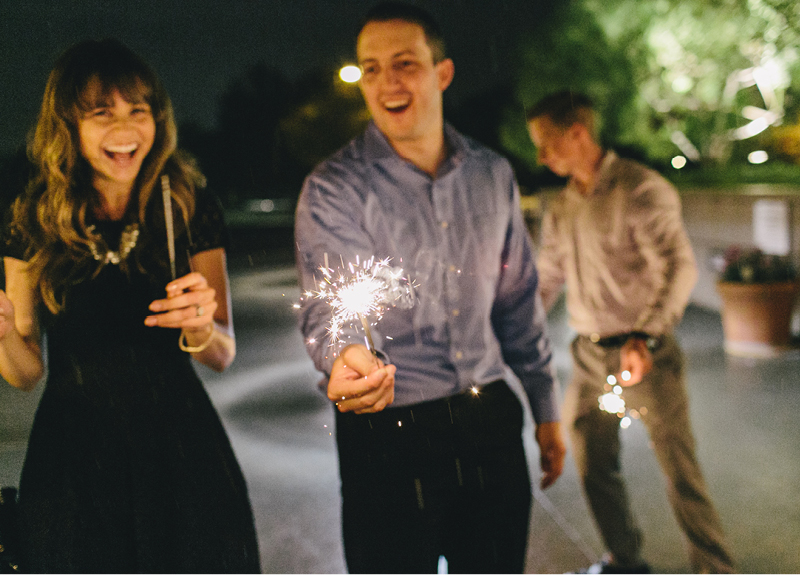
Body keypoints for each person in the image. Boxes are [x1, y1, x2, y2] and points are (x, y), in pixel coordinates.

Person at [294, 3, 566, 573]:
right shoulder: (334, 189)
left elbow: (517, 303)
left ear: (442, 73)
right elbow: (331, 305)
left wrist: (545, 405)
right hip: (389, 429)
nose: (386, 82)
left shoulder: (492, 175)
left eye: (404, 63)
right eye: (370, 68)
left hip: (488, 419)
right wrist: (346, 356)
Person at [0, 38, 260, 573]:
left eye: (138, 111)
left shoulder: (187, 204)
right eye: (102, 113)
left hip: (180, 445)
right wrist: (3, 334)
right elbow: (25, 373)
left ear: (157, 120)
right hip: (73, 453)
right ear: (68, 126)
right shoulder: (35, 218)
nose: (126, 129)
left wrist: (199, 328)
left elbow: (222, 353)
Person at [527, 90, 735, 574]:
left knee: (680, 470)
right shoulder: (562, 205)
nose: (541, 156)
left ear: (578, 133)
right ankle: (624, 559)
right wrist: (508, 327)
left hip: (646, 353)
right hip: (587, 354)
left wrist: (648, 335)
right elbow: (547, 277)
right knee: (592, 464)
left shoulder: (640, 190)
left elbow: (680, 267)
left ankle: (716, 567)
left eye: (547, 143)